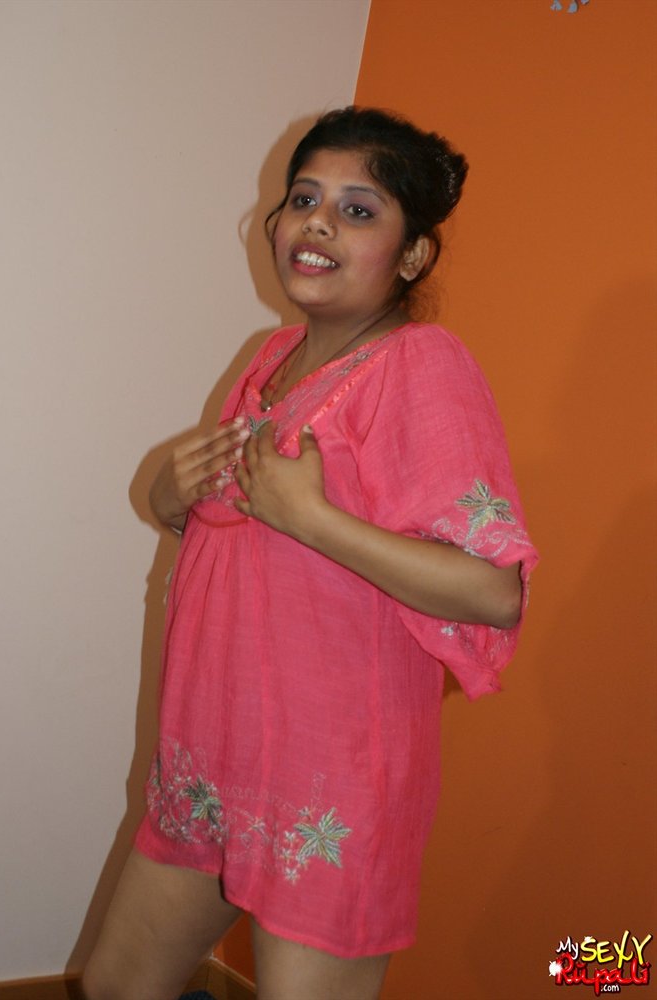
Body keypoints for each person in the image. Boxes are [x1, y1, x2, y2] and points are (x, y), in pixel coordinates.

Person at [82, 107, 538, 1000]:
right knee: (117, 985)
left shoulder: (422, 364)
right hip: (213, 759)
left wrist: (312, 520)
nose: (318, 223)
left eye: (358, 210)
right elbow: (245, 542)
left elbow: (494, 591)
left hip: (332, 782)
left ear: (413, 255)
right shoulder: (274, 357)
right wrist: (169, 498)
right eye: (304, 199)